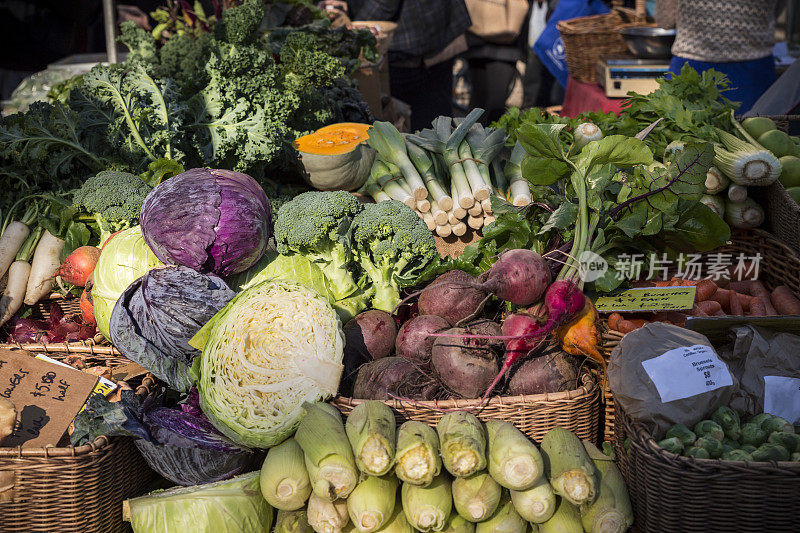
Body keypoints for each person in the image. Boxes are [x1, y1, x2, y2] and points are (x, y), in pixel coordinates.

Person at [321, 0, 472, 131]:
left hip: (414, 40)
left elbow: (385, 4)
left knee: (428, 127)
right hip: (408, 42)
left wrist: (355, 28)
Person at [656, 0, 785, 113]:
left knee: (681, 134)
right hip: (753, 70)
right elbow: (777, 12)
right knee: (755, 136)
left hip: (692, 69)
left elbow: (665, 20)